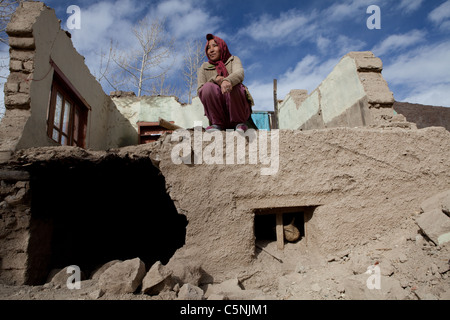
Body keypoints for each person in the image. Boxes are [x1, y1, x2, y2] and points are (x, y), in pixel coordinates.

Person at [197, 33, 254, 133]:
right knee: (207, 88)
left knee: (235, 85)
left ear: (222, 47)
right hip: (219, 116)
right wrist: (215, 79)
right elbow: (200, 89)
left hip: (238, 112)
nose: (211, 50)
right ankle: (217, 124)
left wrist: (227, 81)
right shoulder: (204, 67)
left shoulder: (233, 59)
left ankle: (240, 124)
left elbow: (239, 73)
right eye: (208, 48)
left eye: (215, 46)